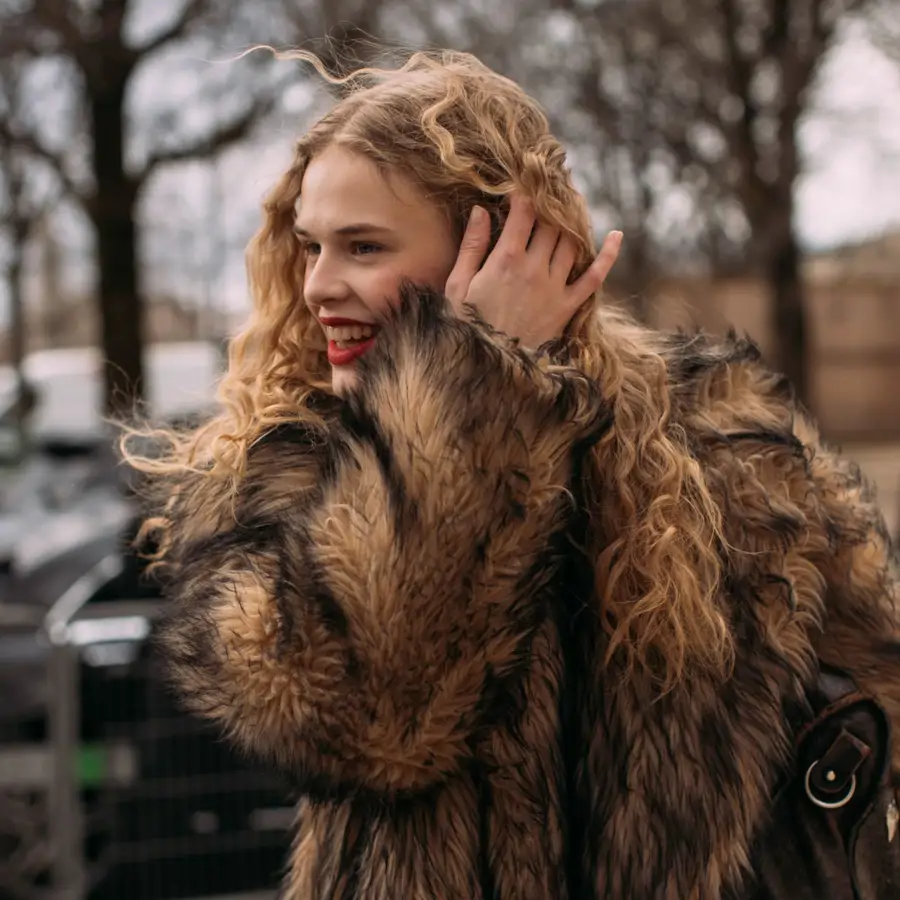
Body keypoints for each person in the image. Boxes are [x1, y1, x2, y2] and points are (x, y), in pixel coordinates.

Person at [124, 50, 900, 899]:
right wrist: (476, 384)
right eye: (309, 246)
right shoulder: (297, 461)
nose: (316, 286)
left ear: (501, 246)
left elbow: (876, 683)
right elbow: (361, 718)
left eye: (363, 246)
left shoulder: (722, 447)